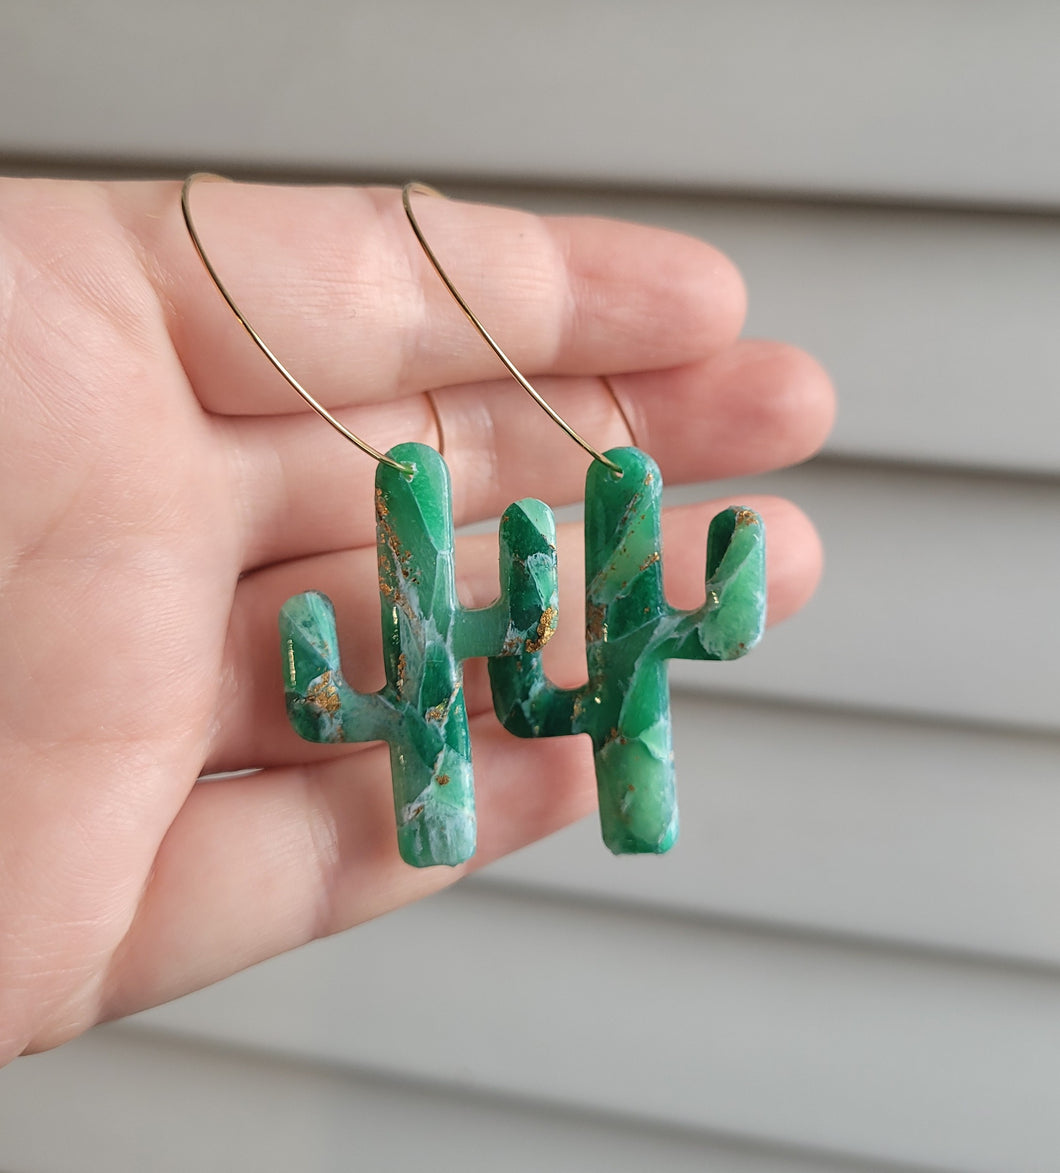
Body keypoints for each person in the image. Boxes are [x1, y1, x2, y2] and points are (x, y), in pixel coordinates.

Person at [0, 177, 833, 1065]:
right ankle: (469, 809)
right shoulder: (482, 596)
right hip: (451, 708)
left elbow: (518, 659)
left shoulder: (534, 629)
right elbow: (506, 655)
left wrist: (510, 612)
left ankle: (504, 801)